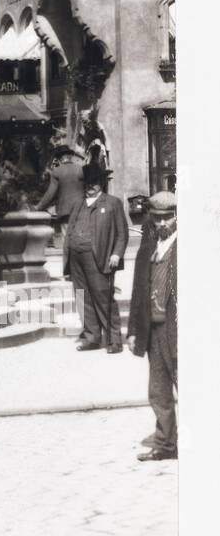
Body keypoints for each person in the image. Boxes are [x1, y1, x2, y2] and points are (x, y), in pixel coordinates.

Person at [127, 192, 178, 461]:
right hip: (154, 332)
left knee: (188, 386)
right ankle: (165, 445)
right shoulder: (148, 248)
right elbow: (138, 292)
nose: (162, 224)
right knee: (158, 391)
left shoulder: (189, 248)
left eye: (168, 217)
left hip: (179, 331)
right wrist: (134, 329)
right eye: (157, 218)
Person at [63, 166, 130, 352]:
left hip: (99, 257)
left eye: (94, 182)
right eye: (88, 183)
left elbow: (122, 233)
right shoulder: (78, 204)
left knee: (103, 297)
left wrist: (116, 254)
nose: (90, 186)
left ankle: (113, 340)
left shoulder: (112, 203)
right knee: (82, 296)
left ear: (101, 183)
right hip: (76, 258)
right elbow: (69, 231)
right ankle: (92, 337)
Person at [35, 144, 85, 249]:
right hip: (81, 209)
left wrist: (38, 207)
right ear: (71, 157)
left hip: (65, 211)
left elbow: (50, 193)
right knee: (80, 239)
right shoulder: (81, 169)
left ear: (60, 158)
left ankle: (68, 263)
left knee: (67, 241)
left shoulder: (57, 171)